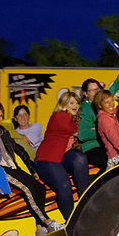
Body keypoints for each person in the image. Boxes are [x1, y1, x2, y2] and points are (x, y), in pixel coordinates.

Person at [0, 102, 61, 236]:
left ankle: (40, 228)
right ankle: (48, 222)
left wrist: (32, 169)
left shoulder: (4, 132)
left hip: (12, 167)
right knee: (27, 189)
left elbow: (20, 150)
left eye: (0, 116)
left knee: (40, 188)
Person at [35, 92, 90, 221]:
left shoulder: (73, 118)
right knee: (65, 185)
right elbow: (81, 133)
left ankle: (85, 199)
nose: (75, 106)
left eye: (77, 103)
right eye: (71, 103)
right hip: (47, 160)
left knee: (79, 157)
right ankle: (71, 221)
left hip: (61, 157)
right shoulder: (60, 116)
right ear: (63, 105)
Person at [79, 72, 119, 174]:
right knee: (109, 163)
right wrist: (101, 130)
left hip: (105, 144)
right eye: (91, 90)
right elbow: (83, 135)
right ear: (85, 93)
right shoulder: (85, 109)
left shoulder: (103, 102)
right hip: (91, 147)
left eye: (97, 89)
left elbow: (113, 89)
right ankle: (96, 186)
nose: (95, 92)